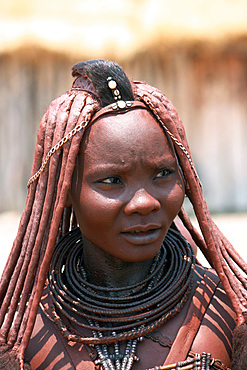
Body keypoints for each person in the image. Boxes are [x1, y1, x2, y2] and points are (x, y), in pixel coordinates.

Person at [0, 59, 246, 370]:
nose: (144, 202)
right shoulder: (26, 332)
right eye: (112, 181)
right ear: (64, 194)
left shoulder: (224, 312)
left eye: (163, 174)